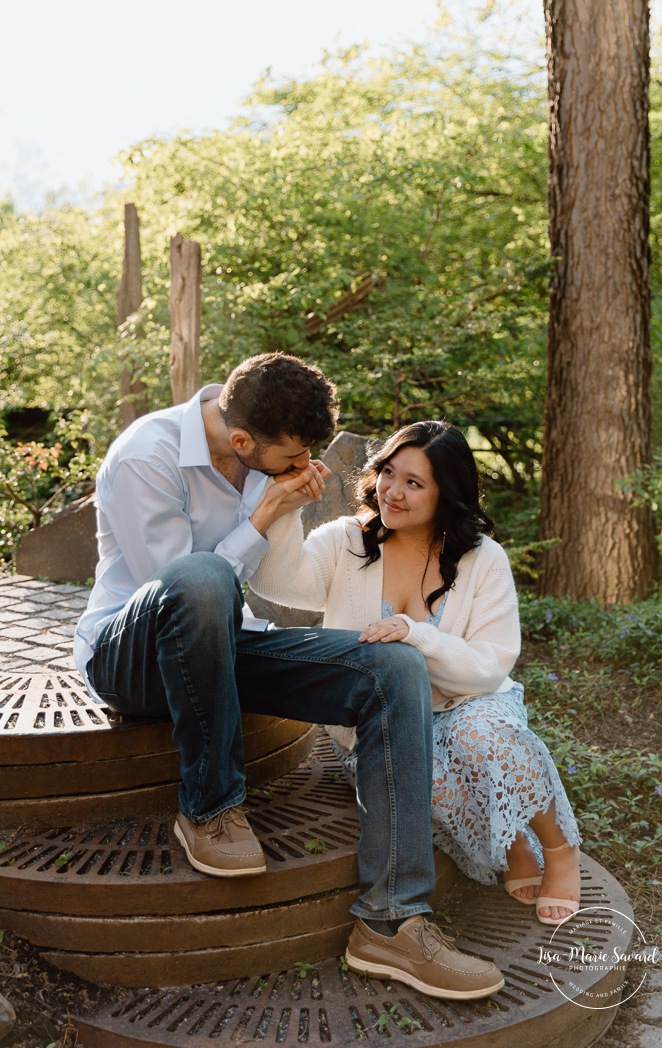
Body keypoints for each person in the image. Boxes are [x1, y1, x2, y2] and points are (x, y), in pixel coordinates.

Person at [73, 355, 504, 1000]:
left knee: (393, 665)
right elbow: (179, 592)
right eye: (292, 459)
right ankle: (211, 807)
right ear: (242, 441)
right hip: (129, 654)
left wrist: (284, 509)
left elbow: (278, 583)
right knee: (202, 576)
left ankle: (393, 920)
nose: (302, 469)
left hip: (232, 646)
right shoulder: (146, 455)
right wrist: (260, 514)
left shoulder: (260, 445)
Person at [249, 419, 581, 926]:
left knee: (483, 741)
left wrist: (416, 633)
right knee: (427, 778)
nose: (392, 492)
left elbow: (491, 666)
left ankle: (558, 851)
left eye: (413, 483)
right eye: (388, 472)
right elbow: (278, 582)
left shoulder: (482, 559)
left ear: (446, 494)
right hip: (382, 719)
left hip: (469, 698)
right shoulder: (346, 540)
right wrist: (286, 510)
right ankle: (511, 847)